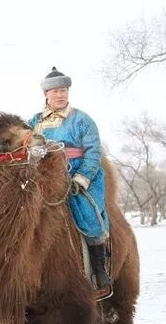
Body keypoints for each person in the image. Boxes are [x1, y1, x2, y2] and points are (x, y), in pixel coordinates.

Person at [28, 67, 111, 291]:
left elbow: (93, 152)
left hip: (79, 174)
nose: (60, 95)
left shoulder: (82, 120)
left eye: (63, 90)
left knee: (88, 213)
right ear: (46, 94)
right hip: (46, 176)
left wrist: (82, 178)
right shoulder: (34, 122)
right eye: (55, 91)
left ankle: (99, 269)